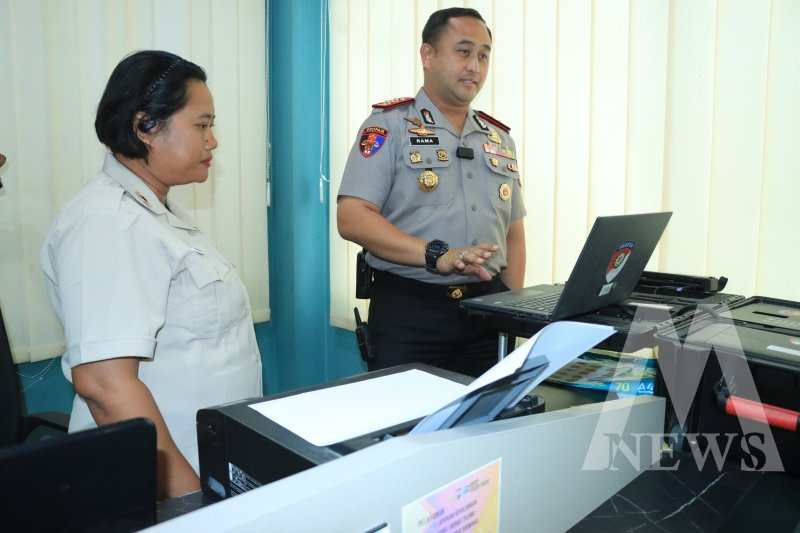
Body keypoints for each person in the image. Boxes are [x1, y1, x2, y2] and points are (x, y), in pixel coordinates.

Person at [40, 51, 262, 499]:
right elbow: (105, 385)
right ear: (146, 127)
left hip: (201, 462)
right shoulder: (108, 222)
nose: (213, 141)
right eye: (202, 125)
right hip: (162, 488)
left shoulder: (156, 211)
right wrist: (192, 506)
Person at [337, 8, 526, 377]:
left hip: (487, 313)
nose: (474, 65)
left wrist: (512, 309)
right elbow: (352, 216)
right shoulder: (388, 127)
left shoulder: (499, 138)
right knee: (404, 428)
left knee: (485, 428)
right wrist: (433, 255)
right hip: (410, 311)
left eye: (484, 55)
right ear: (428, 56)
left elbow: (513, 233)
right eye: (463, 51)